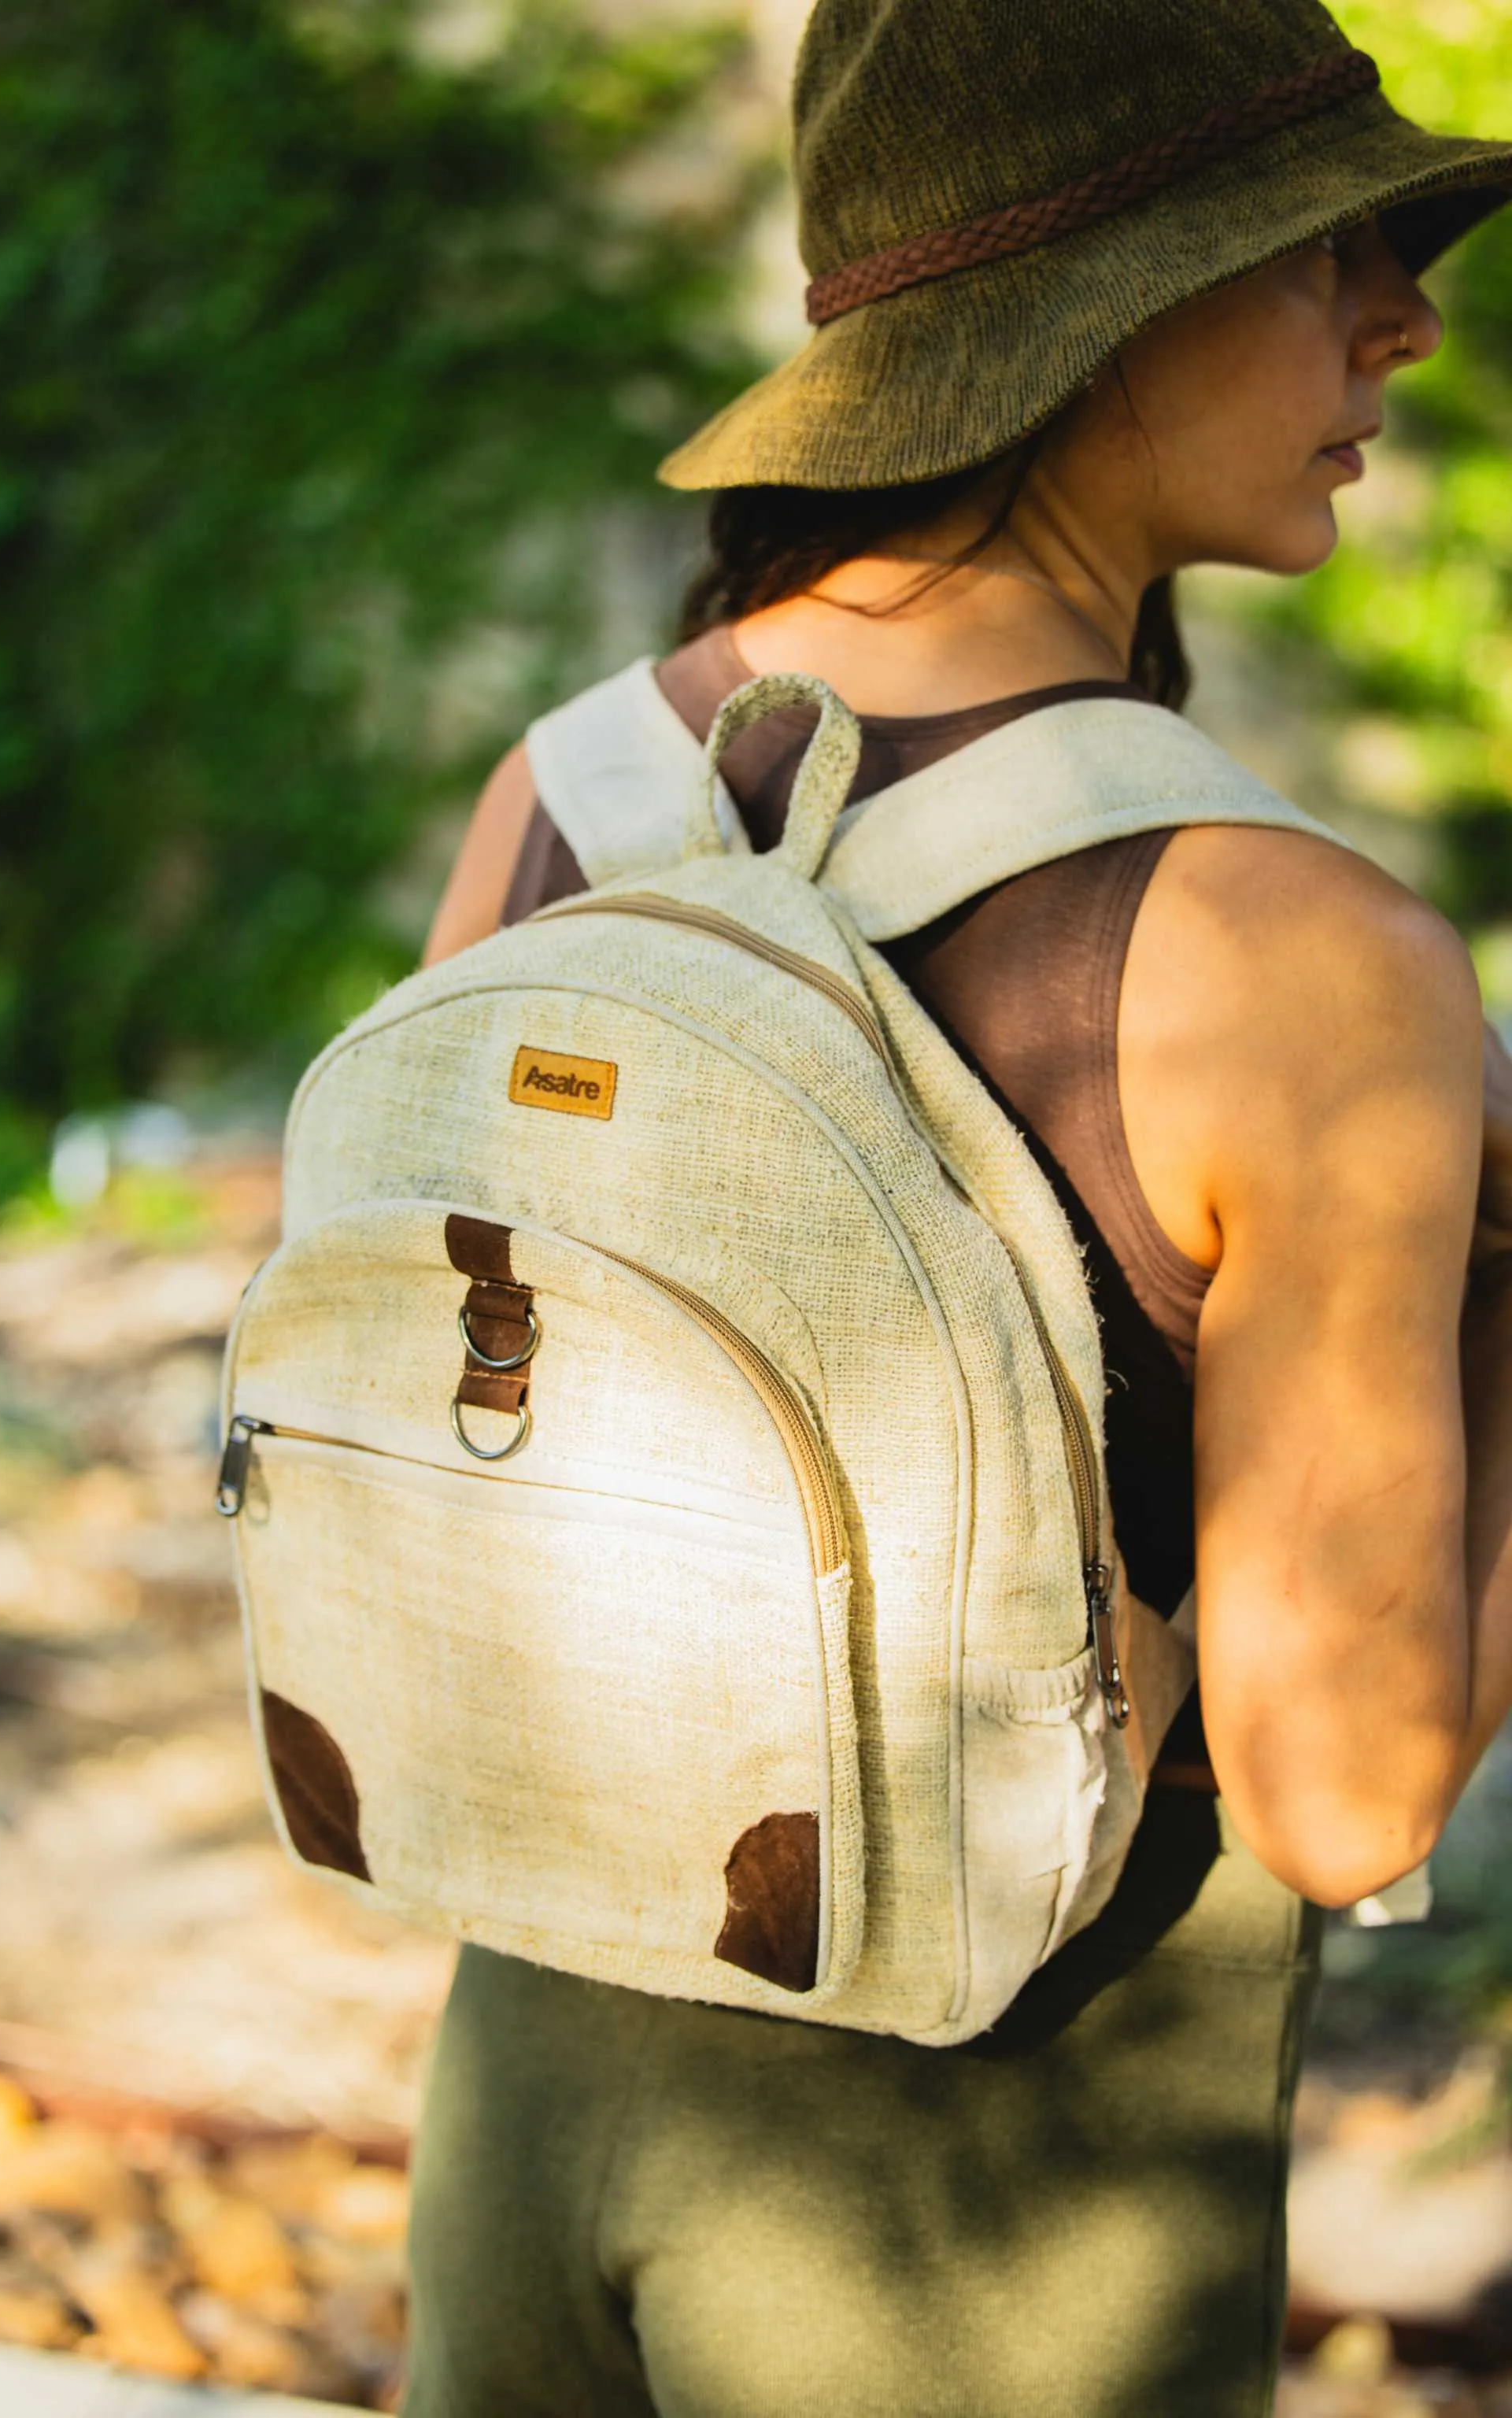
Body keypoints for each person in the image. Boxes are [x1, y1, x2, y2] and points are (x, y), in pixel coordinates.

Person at [405, 3, 1512, 2410]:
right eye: (1327, 246)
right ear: (1104, 301)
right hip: (977, 2235)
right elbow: (1346, 1792)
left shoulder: (565, 796)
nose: (1401, 315)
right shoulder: (1301, 959)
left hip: (524, 2112)